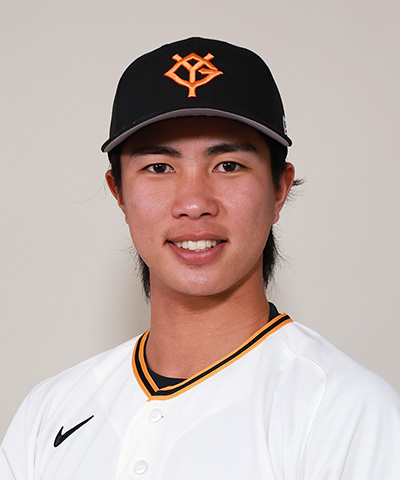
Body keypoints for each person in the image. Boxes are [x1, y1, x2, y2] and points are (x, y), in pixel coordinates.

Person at [1, 37, 400, 479]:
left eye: (228, 165)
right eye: (159, 167)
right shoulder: (48, 413)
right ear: (119, 193)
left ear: (279, 189)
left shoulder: (347, 414)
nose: (194, 203)